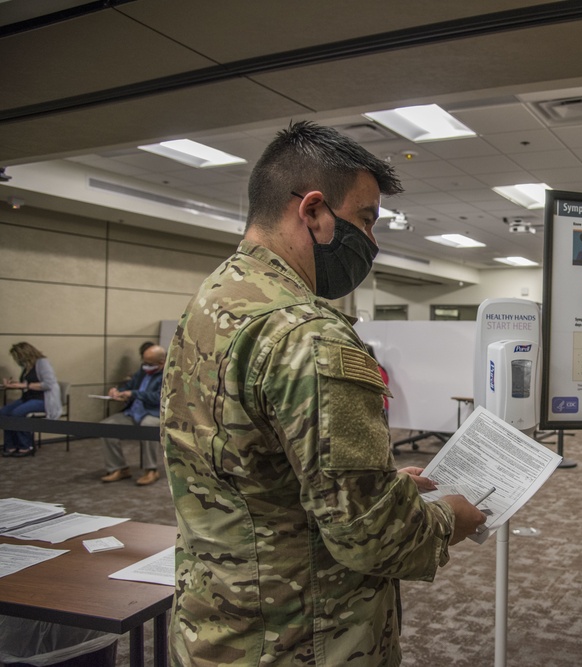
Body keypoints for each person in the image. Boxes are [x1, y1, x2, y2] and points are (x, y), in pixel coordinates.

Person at [160, 121, 485, 667]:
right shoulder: (310, 334)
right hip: (303, 639)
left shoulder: (212, 302)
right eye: (365, 219)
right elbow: (371, 537)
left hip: (218, 628)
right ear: (312, 211)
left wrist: (375, 485)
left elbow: (251, 467)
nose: (373, 242)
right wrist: (452, 518)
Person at [99, 344, 166, 486]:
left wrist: (134, 394)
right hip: (133, 412)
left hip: (153, 413)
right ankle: (119, 468)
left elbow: (158, 397)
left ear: (162, 362)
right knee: (106, 426)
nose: (146, 366)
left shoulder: (169, 375)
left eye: (150, 364)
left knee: (147, 426)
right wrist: (118, 392)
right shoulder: (142, 371)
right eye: (144, 362)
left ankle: (151, 470)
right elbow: (129, 386)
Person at [1, 342, 61, 457]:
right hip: (28, 397)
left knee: (16, 413)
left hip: (43, 399)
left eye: (18, 356)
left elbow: (48, 384)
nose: (17, 360)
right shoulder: (27, 366)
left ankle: (26, 446)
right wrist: (14, 384)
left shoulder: (42, 363)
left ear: (25, 354)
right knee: (4, 413)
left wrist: (24, 386)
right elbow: (27, 383)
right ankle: (11, 445)